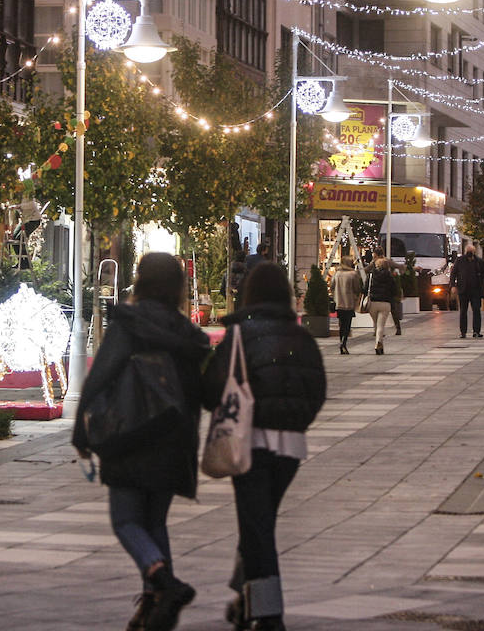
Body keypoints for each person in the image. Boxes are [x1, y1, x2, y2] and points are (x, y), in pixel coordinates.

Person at [72, 252, 211, 631]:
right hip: (174, 439)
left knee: (126, 521)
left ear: (142, 281)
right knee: (155, 522)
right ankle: (156, 607)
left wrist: (81, 434)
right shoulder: (189, 336)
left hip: (128, 435)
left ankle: (165, 584)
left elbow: (100, 377)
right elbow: (204, 391)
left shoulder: (129, 325)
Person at [204, 264, 326, 631]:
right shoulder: (300, 335)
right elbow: (317, 390)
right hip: (290, 447)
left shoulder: (240, 335)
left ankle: (269, 615)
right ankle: (245, 598)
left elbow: (211, 388)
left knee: (258, 531)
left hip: (250, 443)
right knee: (259, 524)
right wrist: (295, 420)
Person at [449, 245, 484, 339]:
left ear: (474, 252)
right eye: (468, 251)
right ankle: (463, 332)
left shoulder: (479, 261)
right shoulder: (460, 260)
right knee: (463, 311)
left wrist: (482, 285)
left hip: (476, 290)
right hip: (463, 290)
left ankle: (476, 331)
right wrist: (453, 286)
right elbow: (453, 273)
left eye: (471, 251)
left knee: (476, 310)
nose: (470, 253)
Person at [364, 255, 399, 355]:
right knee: (381, 325)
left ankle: (378, 340)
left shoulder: (371, 276)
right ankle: (378, 343)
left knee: (376, 324)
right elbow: (394, 291)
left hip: (373, 303)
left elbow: (365, 288)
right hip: (385, 303)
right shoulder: (390, 276)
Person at [330, 255, 363, 355]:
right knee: (347, 324)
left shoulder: (337, 274)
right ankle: (343, 343)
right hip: (349, 302)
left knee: (341, 323)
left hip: (339, 302)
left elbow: (332, 286)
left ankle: (341, 342)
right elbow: (357, 288)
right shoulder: (353, 274)